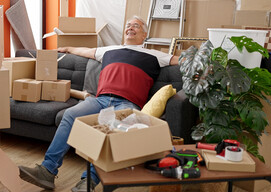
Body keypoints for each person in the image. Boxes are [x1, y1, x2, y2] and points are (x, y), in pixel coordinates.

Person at [18, 16, 179, 191]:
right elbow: (85, 51)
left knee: (110, 130)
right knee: (70, 115)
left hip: (127, 104)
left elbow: (182, 61)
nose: (131, 28)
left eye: (136, 26)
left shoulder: (155, 54)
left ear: (144, 34)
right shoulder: (109, 50)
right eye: (128, 25)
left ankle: (88, 182)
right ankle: (47, 171)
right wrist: (65, 48)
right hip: (99, 100)